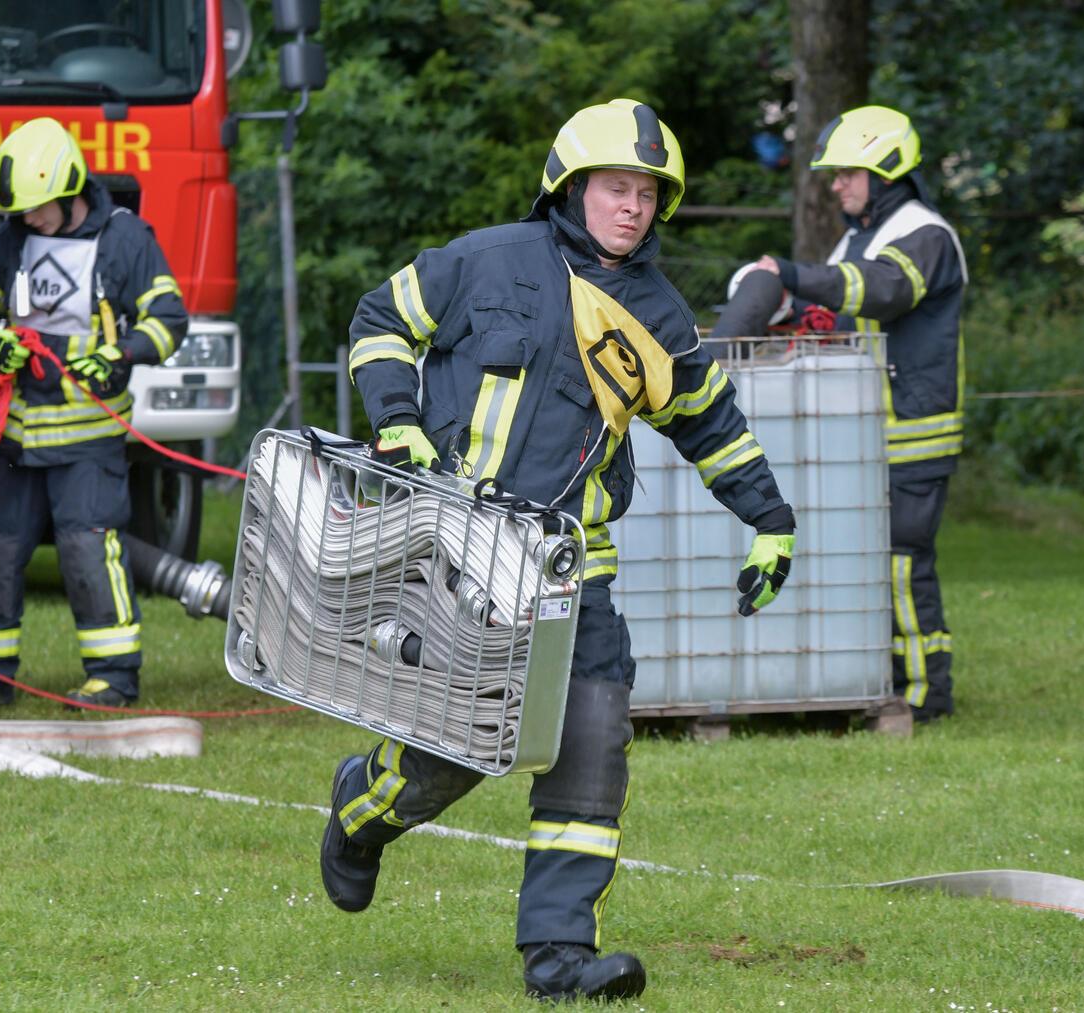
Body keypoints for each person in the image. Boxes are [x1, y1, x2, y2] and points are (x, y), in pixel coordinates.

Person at [323, 98, 797, 1002]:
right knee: (458, 749)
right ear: (571, 188)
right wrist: (397, 424)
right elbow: (379, 320)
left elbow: (711, 426)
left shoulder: (659, 314)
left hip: (578, 567)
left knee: (590, 740)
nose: (634, 207)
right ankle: (362, 808)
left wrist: (771, 521)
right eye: (617, 188)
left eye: (650, 194)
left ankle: (559, 953)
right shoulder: (484, 260)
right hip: (461, 551)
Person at [710, 104, 967, 724]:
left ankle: (928, 694)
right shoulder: (864, 235)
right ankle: (864, 680)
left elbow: (881, 291)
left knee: (902, 564)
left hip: (913, 435)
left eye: (847, 173)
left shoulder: (925, 235)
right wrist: (787, 302)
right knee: (865, 562)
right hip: (867, 434)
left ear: (884, 170)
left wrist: (794, 275)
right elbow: (845, 306)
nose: (836, 184)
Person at [0, 116, 188, 708]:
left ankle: (112, 679)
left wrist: (122, 354)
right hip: (14, 440)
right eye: (19, 212)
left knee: (88, 551)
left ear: (69, 191)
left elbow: (169, 321)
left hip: (88, 442)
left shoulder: (125, 240)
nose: (27, 221)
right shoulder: (11, 240)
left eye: (37, 208)